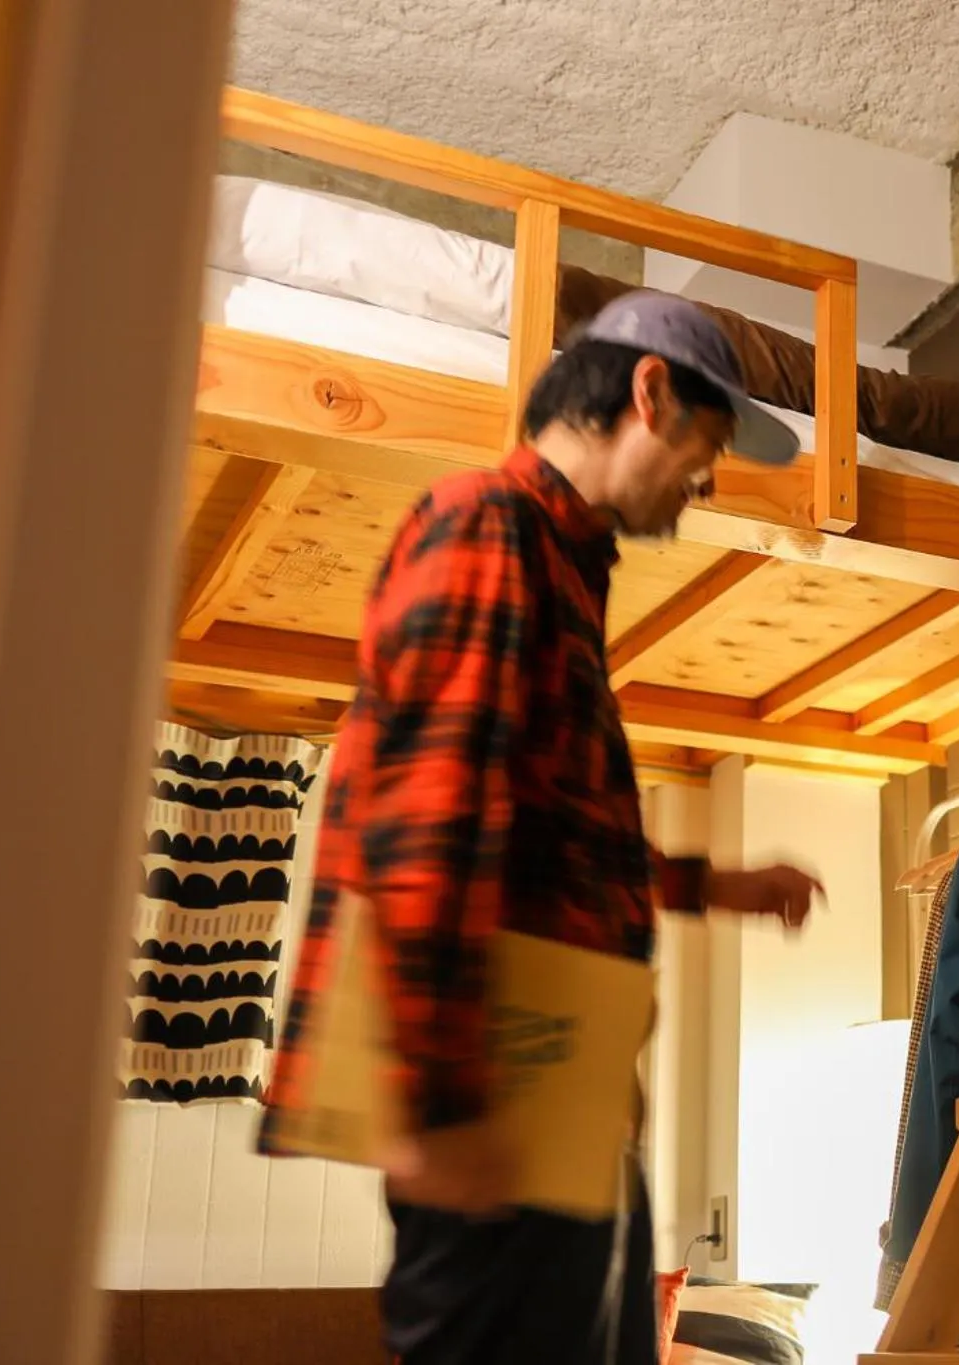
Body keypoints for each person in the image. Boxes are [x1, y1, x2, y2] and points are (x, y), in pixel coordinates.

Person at [257, 291, 825, 1365]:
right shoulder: (487, 525)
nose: (706, 480)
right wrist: (442, 1103)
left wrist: (713, 887)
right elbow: (428, 815)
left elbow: (541, 828)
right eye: (707, 444)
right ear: (647, 394)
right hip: (495, 1103)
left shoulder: (557, 564)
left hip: (560, 1097)